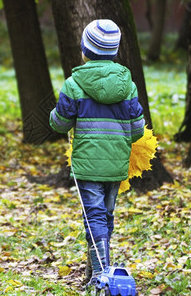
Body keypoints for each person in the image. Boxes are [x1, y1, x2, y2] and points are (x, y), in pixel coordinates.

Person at [49, 19, 145, 290]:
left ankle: (102, 278)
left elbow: (60, 123)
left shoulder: (73, 84)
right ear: (114, 51)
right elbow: (137, 129)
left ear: (85, 50)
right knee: (105, 216)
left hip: (87, 166)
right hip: (116, 164)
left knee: (93, 217)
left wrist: (55, 116)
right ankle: (95, 275)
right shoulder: (127, 85)